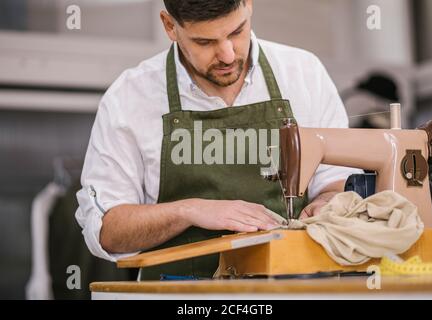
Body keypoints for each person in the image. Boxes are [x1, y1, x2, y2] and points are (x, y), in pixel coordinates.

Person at [76, 0, 362, 279]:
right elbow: (108, 231)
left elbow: (338, 180)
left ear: (249, 5)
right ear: (169, 26)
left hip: (294, 288)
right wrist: (189, 210)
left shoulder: (304, 74)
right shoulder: (130, 97)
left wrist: (328, 200)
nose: (227, 55)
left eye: (237, 32)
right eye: (204, 42)